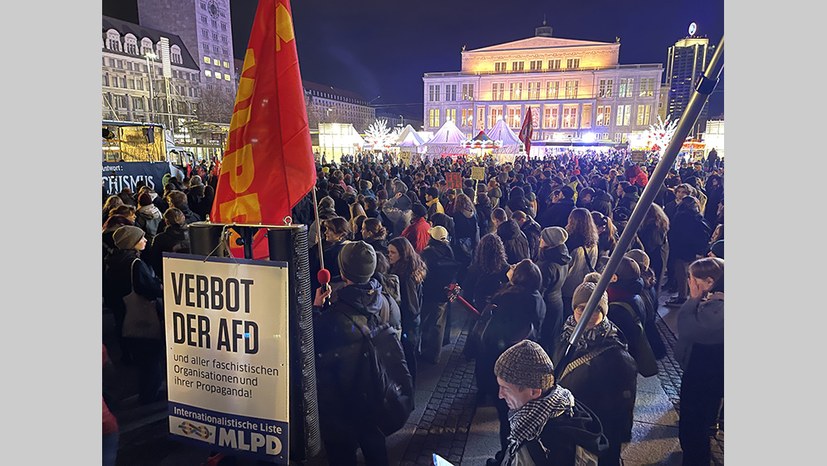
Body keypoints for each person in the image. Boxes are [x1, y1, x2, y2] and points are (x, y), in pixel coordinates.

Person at [311, 241, 401, 466]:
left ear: (343, 271)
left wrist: (316, 309)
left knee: (342, 454)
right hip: (373, 390)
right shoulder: (385, 300)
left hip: (341, 402)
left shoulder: (335, 315)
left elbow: (313, 347)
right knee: (374, 446)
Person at [552, 273, 638, 466]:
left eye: (594, 310)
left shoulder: (615, 353)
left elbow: (624, 402)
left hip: (599, 426)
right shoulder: (566, 334)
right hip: (571, 421)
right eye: (581, 308)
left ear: (604, 312)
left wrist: (620, 433)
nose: (586, 314)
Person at [493, 340, 608, 466]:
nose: (500, 395)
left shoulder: (555, 445)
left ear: (534, 392)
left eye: (506, 389)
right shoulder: (534, 417)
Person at [476, 260, 546, 460]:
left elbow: (492, 335)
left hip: (504, 361)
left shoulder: (510, 299)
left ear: (519, 277)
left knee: (506, 415)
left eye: (515, 268)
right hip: (522, 361)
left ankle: (506, 455)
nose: (511, 268)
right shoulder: (536, 297)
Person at [102, 225, 165, 404]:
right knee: (151, 357)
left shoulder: (112, 260)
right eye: (141, 238)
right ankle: (150, 394)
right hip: (141, 314)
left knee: (142, 359)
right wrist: (159, 286)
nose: (145, 240)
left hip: (123, 314)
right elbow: (148, 289)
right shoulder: (135, 264)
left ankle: (146, 392)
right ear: (132, 242)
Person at [676, 257, 724, 466]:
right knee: (698, 423)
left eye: (693, 279)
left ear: (709, 282)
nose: (689, 282)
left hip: (703, 374)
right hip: (706, 372)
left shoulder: (717, 309)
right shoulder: (715, 302)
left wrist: (693, 299)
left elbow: (687, 327)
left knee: (693, 425)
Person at [388, 236, 427, 385]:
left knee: (408, 358)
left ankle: (410, 388)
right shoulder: (411, 267)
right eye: (389, 252)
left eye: (393, 253)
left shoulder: (404, 276)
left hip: (408, 324)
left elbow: (411, 306)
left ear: (402, 254)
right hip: (413, 322)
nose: (389, 255)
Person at [419, 225, 459, 364]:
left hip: (430, 293)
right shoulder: (448, 249)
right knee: (440, 322)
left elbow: (423, 273)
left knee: (431, 323)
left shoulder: (427, 253)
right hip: (445, 292)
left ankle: (431, 355)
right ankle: (440, 345)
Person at [665, 196, 711, 307]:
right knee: (694, 275)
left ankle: (682, 297)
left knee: (682, 275)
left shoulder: (680, 216)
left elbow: (674, 234)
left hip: (681, 251)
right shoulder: (698, 217)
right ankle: (695, 297)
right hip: (694, 251)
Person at [535, 226, 571, 355]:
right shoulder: (562, 258)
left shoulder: (547, 265)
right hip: (557, 302)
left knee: (544, 341)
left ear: (549, 242)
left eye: (543, 238)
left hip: (547, 306)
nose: (540, 239)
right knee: (552, 339)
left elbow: (540, 291)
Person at [561, 208, 599, 317]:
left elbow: (566, 266)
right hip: (584, 284)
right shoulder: (593, 241)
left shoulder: (570, 242)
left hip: (568, 285)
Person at [461, 234, 510, 312]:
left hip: (480, 309)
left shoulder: (474, 269)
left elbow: (467, 294)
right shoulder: (506, 268)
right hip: (500, 309)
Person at [143, 208, 191, 279]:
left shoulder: (160, 239)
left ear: (166, 221)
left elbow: (154, 260)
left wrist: (161, 276)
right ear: (183, 218)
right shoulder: (193, 234)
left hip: (167, 276)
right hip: (190, 274)